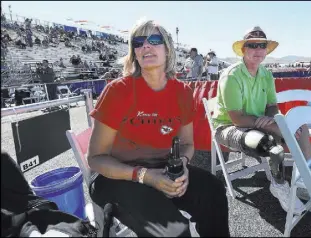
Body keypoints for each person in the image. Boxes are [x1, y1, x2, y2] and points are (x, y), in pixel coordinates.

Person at [87, 19, 230, 237]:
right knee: (175, 230)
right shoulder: (117, 91)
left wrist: (181, 166)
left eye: (154, 39)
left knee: (213, 191)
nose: (146, 46)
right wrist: (145, 176)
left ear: (168, 49)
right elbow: (96, 158)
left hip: (164, 169)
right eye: (139, 42)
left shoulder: (182, 92)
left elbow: (188, 144)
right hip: (116, 176)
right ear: (134, 52)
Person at [212, 26, 311, 215]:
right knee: (270, 144)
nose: (258, 49)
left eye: (262, 45)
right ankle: (278, 185)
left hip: (258, 122)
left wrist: (270, 119)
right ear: (244, 50)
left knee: (300, 129)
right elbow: (237, 118)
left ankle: (307, 183)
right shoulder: (231, 76)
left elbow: (272, 106)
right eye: (252, 45)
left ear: (266, 50)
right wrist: (271, 124)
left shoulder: (266, 74)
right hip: (228, 127)